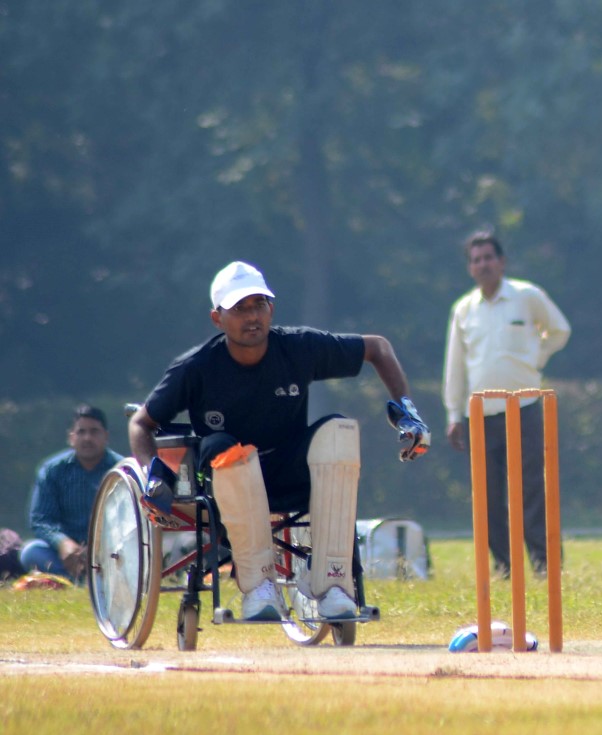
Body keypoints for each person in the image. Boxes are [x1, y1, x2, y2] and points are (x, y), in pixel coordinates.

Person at [128, 261, 431, 622]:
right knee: (224, 445)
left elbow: (377, 348)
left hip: (288, 470)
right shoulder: (195, 367)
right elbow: (141, 423)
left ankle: (332, 583)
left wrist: (408, 412)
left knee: (340, 430)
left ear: (271, 309)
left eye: (259, 305)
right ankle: (259, 586)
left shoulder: (298, 347)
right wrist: (152, 474)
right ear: (217, 318)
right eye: (239, 308)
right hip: (227, 477)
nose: (252, 316)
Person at [443, 231, 571, 577]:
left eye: (488, 257)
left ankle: (546, 565)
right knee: (487, 497)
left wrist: (535, 358)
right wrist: (454, 414)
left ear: (501, 262)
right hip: (480, 413)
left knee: (532, 488)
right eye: (476, 260)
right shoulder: (463, 309)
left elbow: (559, 330)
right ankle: (503, 568)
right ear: (470, 268)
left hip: (525, 406)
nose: (483, 265)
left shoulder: (526, 296)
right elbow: (455, 365)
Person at [20, 404, 124, 583]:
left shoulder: (122, 469)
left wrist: (100, 548)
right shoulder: (52, 470)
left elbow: (129, 520)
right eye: (81, 432)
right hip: (66, 554)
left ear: (106, 436)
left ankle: (98, 579)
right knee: (31, 552)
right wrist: (63, 544)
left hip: (111, 550)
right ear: (71, 437)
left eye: (94, 432)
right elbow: (40, 520)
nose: (87, 438)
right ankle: (76, 581)